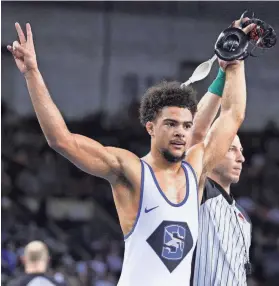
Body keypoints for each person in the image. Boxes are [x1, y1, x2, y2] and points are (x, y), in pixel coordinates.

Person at [7, 18, 254, 286]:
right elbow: (62, 140)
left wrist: (235, 60)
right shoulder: (131, 170)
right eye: (170, 124)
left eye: (185, 125)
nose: (181, 132)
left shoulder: (196, 168)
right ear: (150, 127)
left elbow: (232, 114)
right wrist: (32, 73)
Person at [190, 56, 252, 285]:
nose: (241, 157)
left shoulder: (243, 216)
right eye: (231, 149)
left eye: (241, 150)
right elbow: (197, 133)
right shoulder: (199, 188)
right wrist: (225, 73)